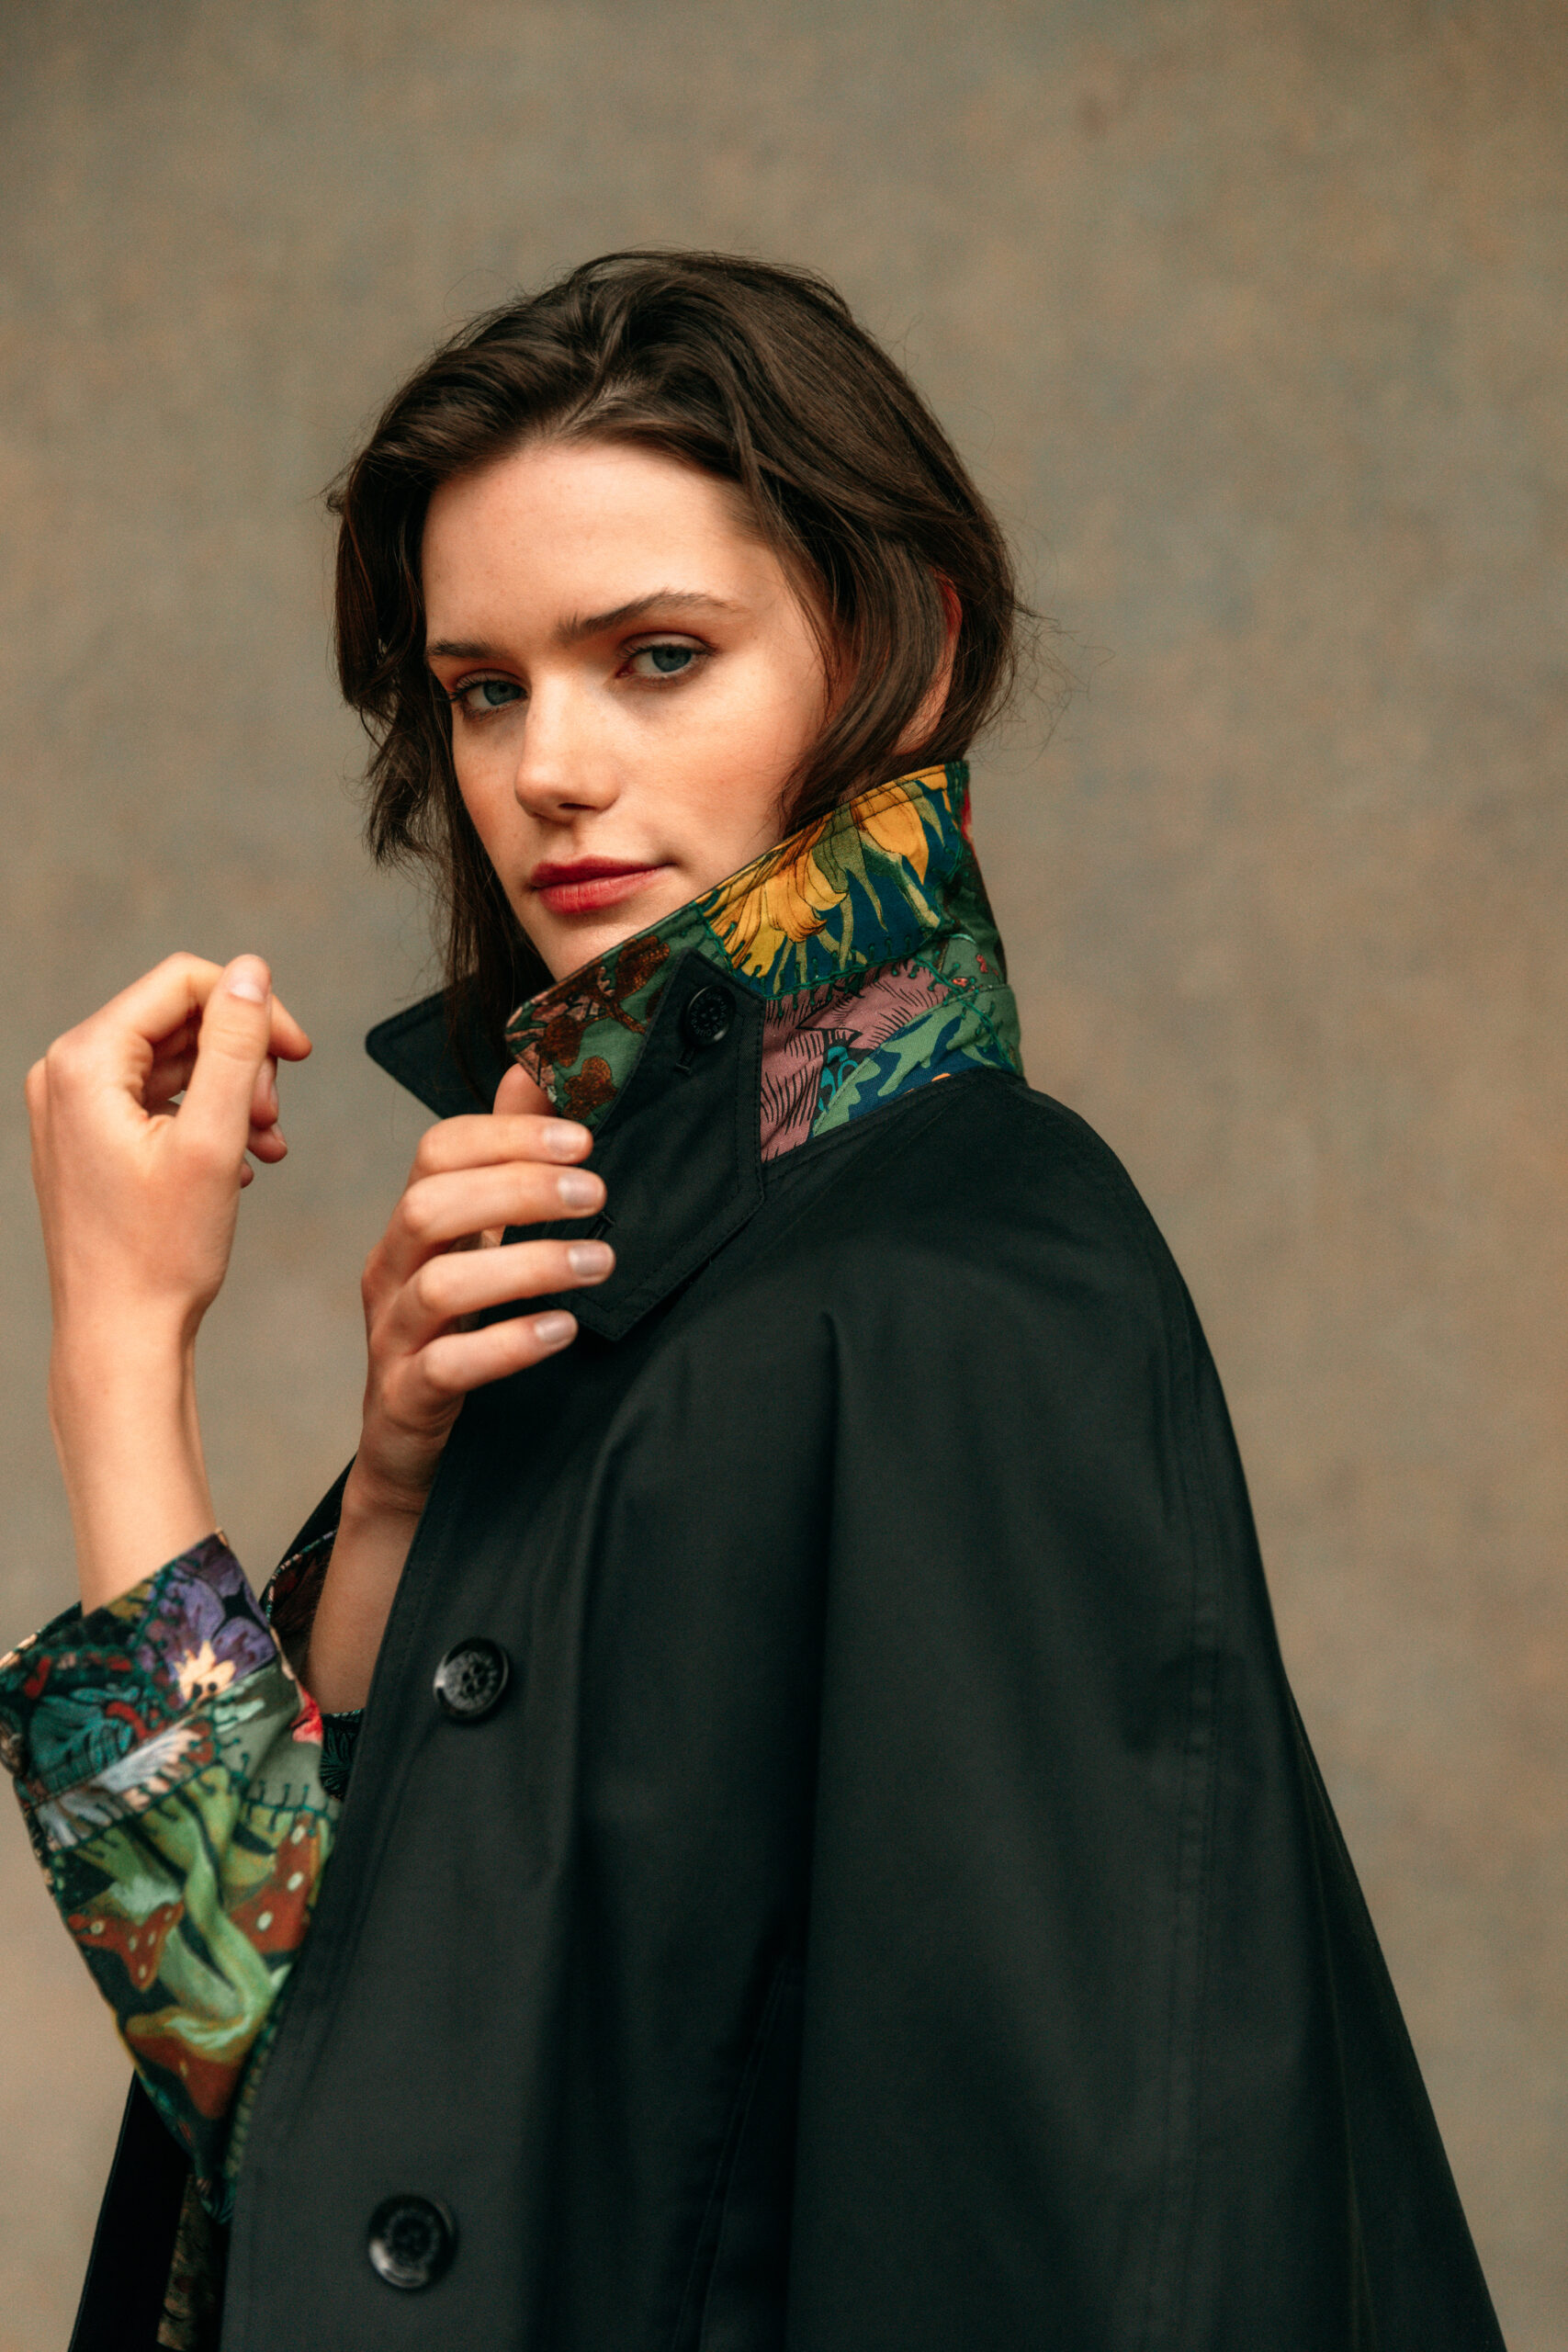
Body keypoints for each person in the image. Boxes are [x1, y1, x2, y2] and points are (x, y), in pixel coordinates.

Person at [5, 253, 1502, 2352]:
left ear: (903, 652)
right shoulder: (627, 1276)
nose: (547, 767)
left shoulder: (961, 1292)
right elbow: (314, 2088)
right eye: (483, 686)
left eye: (656, 656)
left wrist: (114, 1344)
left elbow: (1067, 2243)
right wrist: (383, 1482)